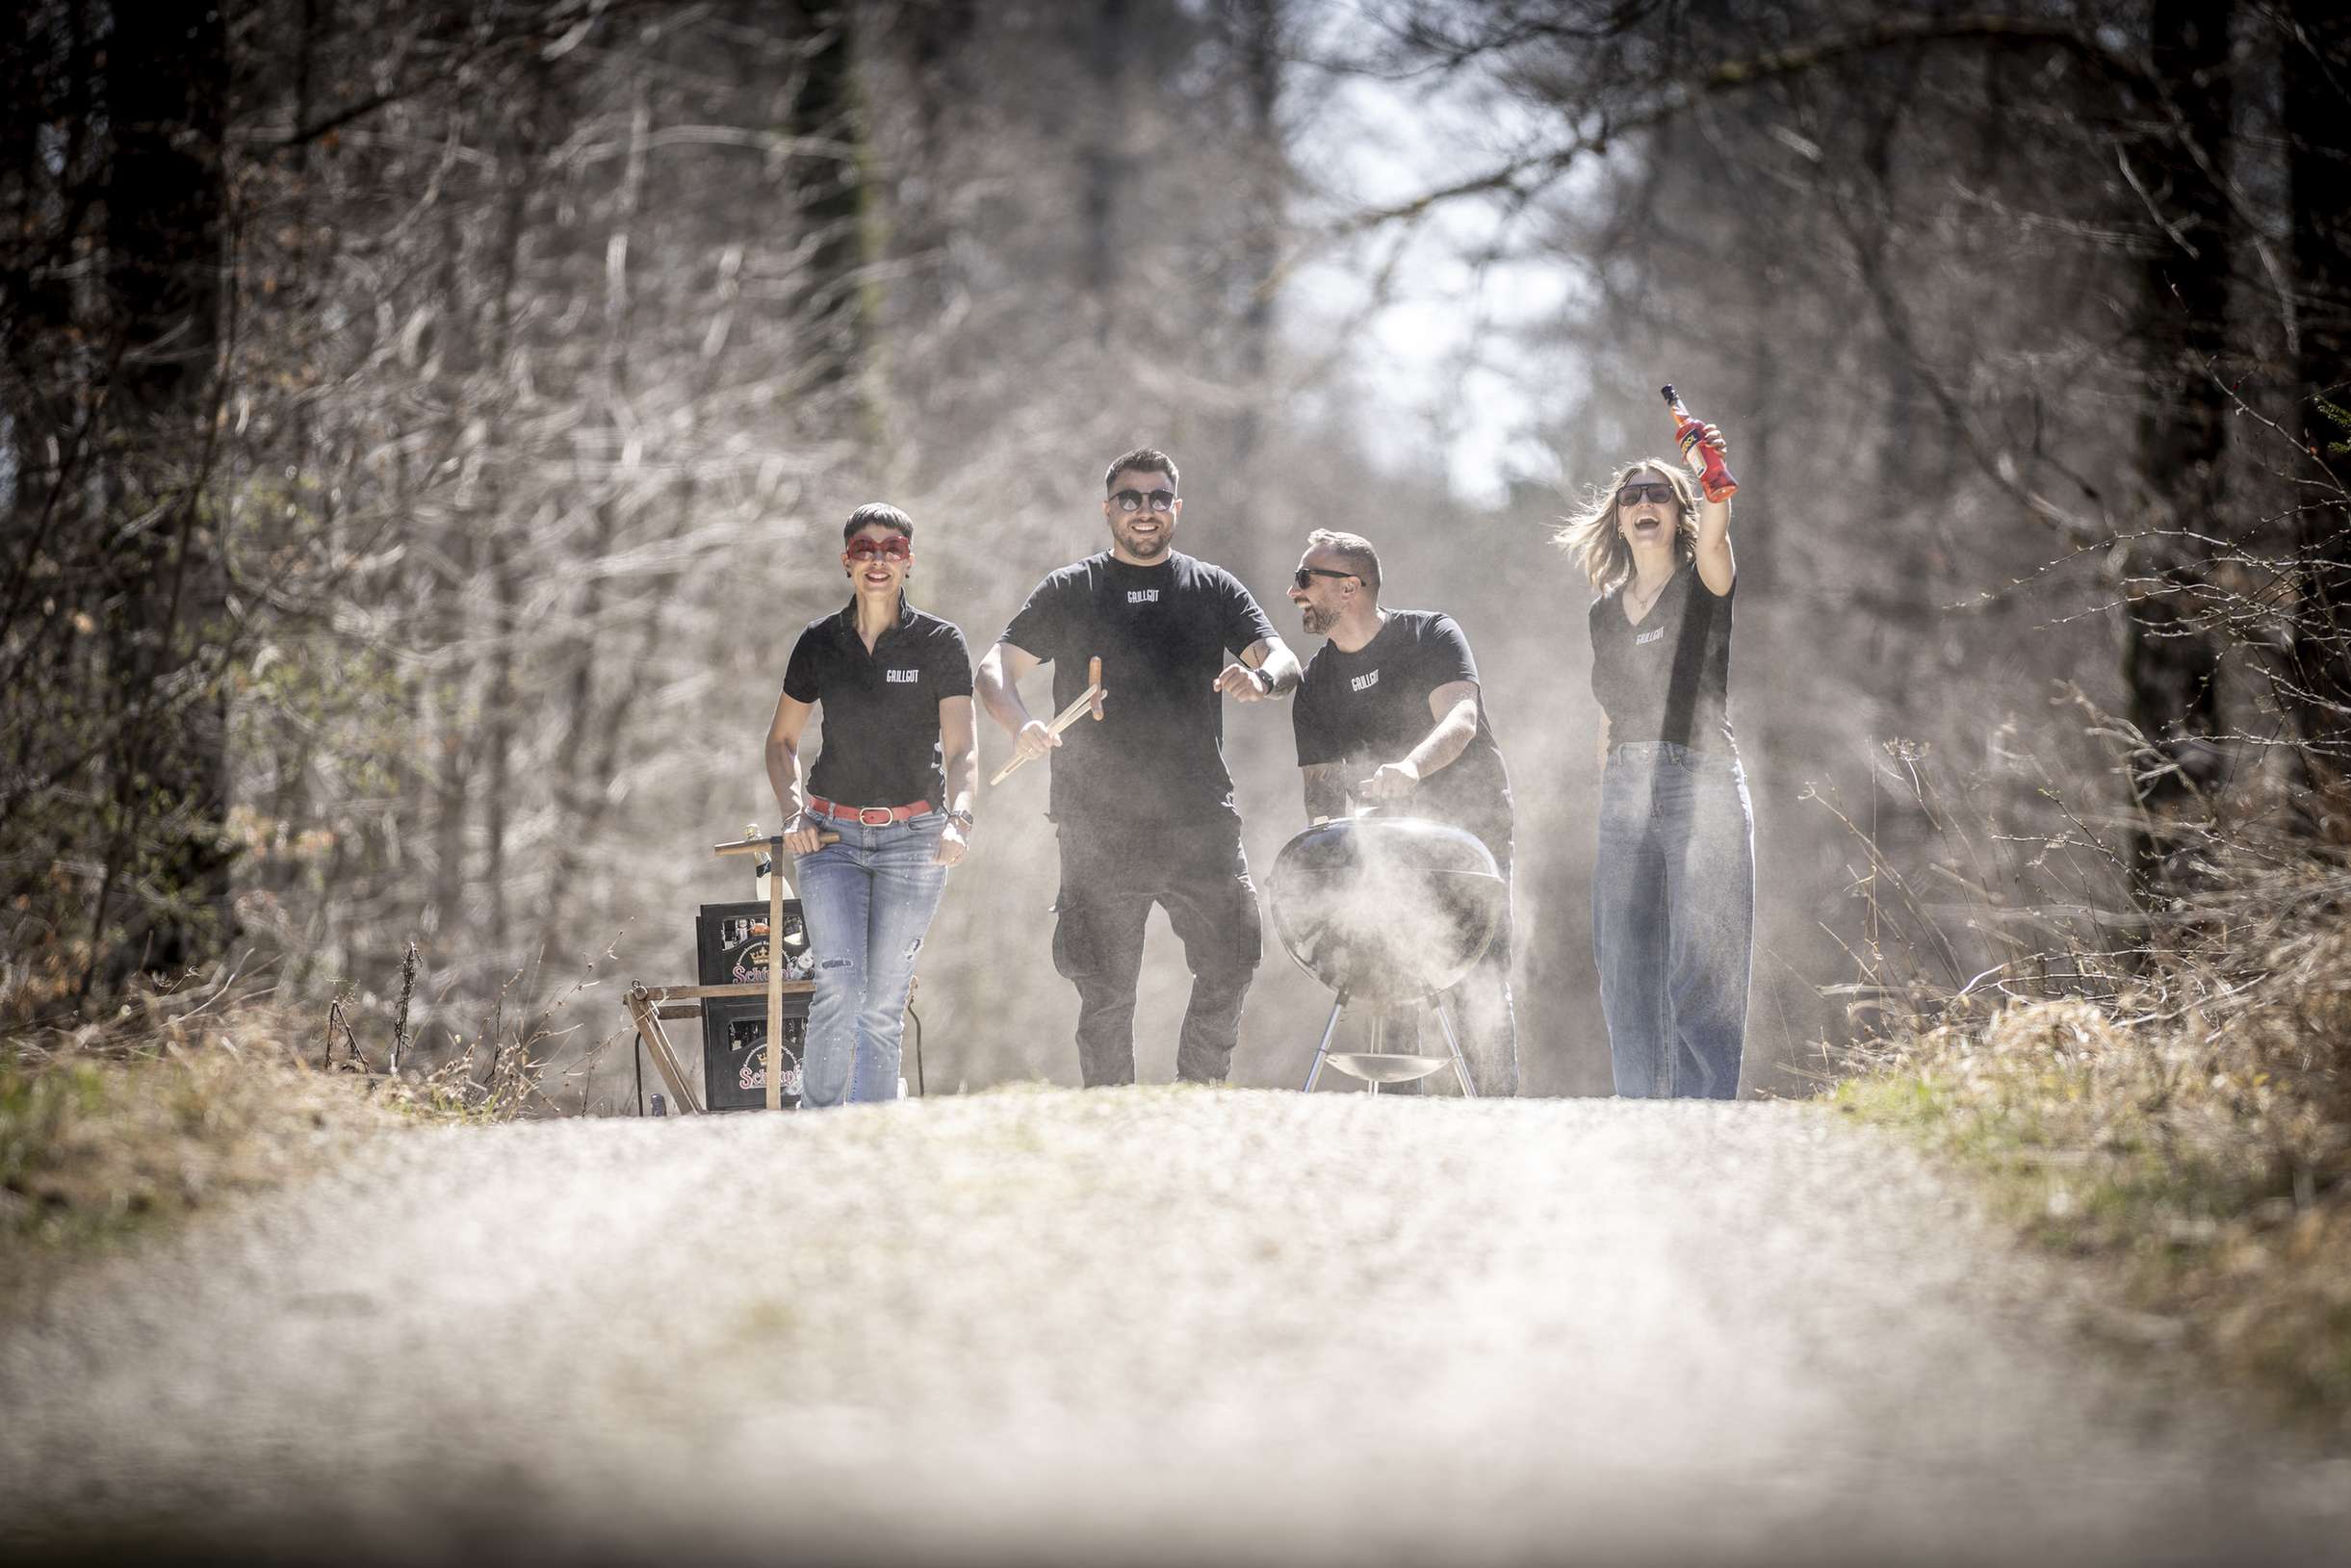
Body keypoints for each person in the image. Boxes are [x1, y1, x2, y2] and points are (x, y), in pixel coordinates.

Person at [976, 447, 1301, 1087]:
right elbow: (993, 669)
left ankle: (1199, 1089)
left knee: (1234, 958)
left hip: (1197, 816)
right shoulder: (1071, 591)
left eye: (1158, 498)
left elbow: (1286, 659)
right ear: (1108, 510)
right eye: (1130, 498)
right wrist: (1022, 724)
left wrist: (1260, 678)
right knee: (1104, 989)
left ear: (1176, 508)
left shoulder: (1214, 589)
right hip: (1098, 823)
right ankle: (1109, 1111)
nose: (1144, 510)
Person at [1557, 424, 1753, 1098]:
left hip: (1700, 775)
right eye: (1631, 495)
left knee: (1702, 954)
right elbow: (1608, 714)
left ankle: (1704, 1114)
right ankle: (1643, 1112)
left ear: (1677, 514)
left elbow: (1719, 530)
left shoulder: (1704, 579)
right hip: (1624, 786)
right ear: (1617, 517)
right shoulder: (1603, 615)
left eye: (1660, 495)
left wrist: (1709, 473)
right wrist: (1607, 792)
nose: (1645, 503)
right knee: (1622, 956)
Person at [1286, 529, 1519, 1095]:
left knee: (1475, 978)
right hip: (1385, 847)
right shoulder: (1316, 682)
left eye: (1304, 579)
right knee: (1387, 973)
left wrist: (1410, 769)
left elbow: (1461, 718)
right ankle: (1397, 1131)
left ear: (1349, 588)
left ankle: (1496, 1117)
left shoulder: (1431, 634)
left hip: (1470, 834)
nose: (1293, 593)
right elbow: (1319, 796)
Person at [764, 503, 976, 1108]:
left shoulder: (940, 642)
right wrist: (793, 813)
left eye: (891, 548)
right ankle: (818, 1126)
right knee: (839, 983)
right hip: (831, 839)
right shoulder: (819, 643)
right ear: (846, 561)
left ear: (908, 560)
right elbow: (780, 744)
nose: (877, 558)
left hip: (916, 840)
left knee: (884, 1001)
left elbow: (963, 750)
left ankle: (873, 1134)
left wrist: (960, 818)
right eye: (864, 547)